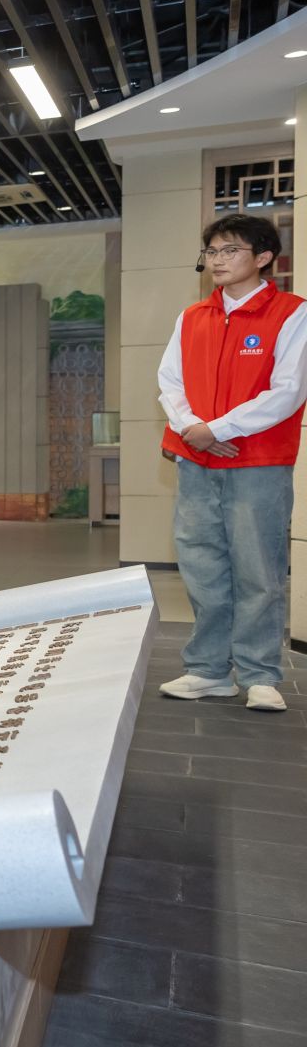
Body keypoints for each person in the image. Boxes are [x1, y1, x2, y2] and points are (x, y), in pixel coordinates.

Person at [156, 213, 305, 714]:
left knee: (259, 569)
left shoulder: (292, 314)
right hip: (196, 458)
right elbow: (169, 382)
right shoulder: (192, 316)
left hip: (258, 461)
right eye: (212, 252)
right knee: (202, 567)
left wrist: (217, 429)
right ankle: (209, 671)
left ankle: (260, 675)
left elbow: (287, 391)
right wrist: (193, 429)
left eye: (230, 250)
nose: (218, 260)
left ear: (263, 257)